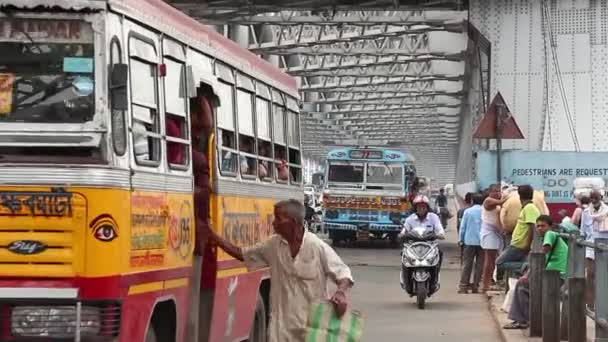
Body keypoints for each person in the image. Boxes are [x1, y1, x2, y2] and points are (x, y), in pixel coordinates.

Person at [204, 199, 354, 342]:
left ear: (293, 223)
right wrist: (213, 237)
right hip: (281, 331)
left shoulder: (317, 247)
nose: (273, 222)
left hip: (311, 330)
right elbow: (243, 254)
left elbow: (343, 273)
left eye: (278, 218)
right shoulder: (273, 245)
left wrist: (340, 292)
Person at [503, 215, 568, 329]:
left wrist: (528, 275)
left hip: (555, 276)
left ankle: (523, 320)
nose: (539, 229)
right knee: (523, 285)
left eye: (543, 226)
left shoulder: (550, 234)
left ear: (550, 226)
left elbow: (542, 253)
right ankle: (525, 319)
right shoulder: (553, 235)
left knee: (522, 286)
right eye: (537, 226)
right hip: (553, 274)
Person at [496, 185, 539, 276]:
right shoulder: (526, 208)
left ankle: (527, 267)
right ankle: (524, 270)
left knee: (500, 263)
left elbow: (532, 227)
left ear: (520, 195)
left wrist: (528, 244)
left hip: (519, 244)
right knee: (517, 270)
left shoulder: (530, 208)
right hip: (518, 243)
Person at [399, 195, 445, 275]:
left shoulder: (433, 217)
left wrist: (440, 235)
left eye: (424, 207)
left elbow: (440, 230)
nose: (421, 209)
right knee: (403, 253)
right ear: (415, 208)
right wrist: (402, 234)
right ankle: (406, 278)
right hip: (413, 246)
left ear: (427, 208)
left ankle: (435, 274)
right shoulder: (410, 219)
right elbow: (404, 230)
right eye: (419, 207)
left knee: (440, 253)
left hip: (429, 245)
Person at [584, 190, 608, 310]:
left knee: (603, 275)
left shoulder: (607, 211)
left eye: (596, 197)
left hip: (605, 245)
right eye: (591, 197)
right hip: (590, 246)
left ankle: (603, 302)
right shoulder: (586, 211)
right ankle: (590, 303)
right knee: (590, 274)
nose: (593, 199)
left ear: (601, 197)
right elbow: (583, 230)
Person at [480, 185, 507, 293]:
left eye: (498, 191)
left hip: (495, 233)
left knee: (493, 260)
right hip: (489, 233)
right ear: (489, 192)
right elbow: (502, 202)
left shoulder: (496, 201)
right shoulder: (488, 201)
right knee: (489, 260)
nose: (497, 193)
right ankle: (486, 285)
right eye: (494, 191)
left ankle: (489, 283)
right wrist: (510, 195)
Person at [458, 193, 484, 293]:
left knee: (467, 264)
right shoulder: (485, 211)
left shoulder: (468, 211)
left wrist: (460, 239)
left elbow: (463, 227)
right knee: (479, 265)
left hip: (469, 241)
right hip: (482, 242)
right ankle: (475, 286)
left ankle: (463, 286)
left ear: (472, 201)